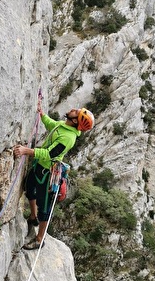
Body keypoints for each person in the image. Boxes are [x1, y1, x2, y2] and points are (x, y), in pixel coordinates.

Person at [13, 104, 94, 250]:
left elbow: (50, 154)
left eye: (76, 112)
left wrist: (27, 151)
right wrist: (42, 114)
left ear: (75, 121)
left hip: (47, 173)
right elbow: (52, 125)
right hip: (39, 166)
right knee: (29, 188)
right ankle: (33, 217)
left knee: (45, 207)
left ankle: (39, 239)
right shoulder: (64, 126)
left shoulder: (68, 138)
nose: (73, 109)